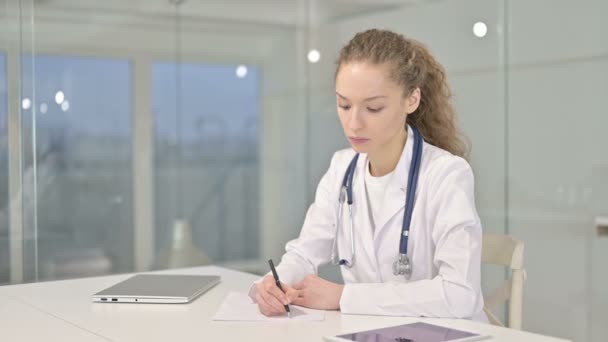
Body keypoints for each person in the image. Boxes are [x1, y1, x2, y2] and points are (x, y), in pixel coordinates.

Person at [250, 29, 487, 322]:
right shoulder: (341, 168)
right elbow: (305, 253)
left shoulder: (445, 174)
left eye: (373, 107)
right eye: (344, 104)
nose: (354, 123)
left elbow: (460, 295)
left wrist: (343, 297)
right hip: (371, 330)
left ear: (411, 100)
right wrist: (274, 283)